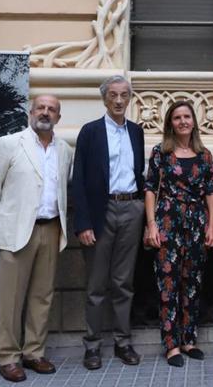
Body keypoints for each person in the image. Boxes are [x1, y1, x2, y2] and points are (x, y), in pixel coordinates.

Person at [0, 95, 73, 383]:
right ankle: (8, 357)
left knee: (42, 296)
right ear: (30, 113)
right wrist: (3, 223)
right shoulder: (9, 144)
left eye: (52, 110)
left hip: (51, 228)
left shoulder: (65, 150)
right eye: (41, 108)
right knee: (10, 299)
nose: (46, 113)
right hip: (17, 232)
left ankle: (34, 352)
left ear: (58, 117)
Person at [72, 76, 146, 369]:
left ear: (130, 99)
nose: (118, 101)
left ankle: (122, 342)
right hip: (101, 212)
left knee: (123, 282)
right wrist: (84, 223)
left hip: (131, 209)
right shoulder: (90, 132)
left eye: (124, 95)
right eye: (113, 95)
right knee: (96, 284)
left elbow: (138, 172)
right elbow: (78, 179)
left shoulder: (137, 132)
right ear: (104, 99)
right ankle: (92, 346)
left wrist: (140, 206)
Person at [143, 100, 213, 367]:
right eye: (177, 118)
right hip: (167, 221)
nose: (183, 121)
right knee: (168, 284)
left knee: (193, 282)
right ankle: (171, 345)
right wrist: (151, 224)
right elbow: (150, 188)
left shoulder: (205, 155)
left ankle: (189, 339)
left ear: (194, 121)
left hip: (196, 223)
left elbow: (211, 191)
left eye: (187, 116)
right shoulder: (161, 152)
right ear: (170, 123)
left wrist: (211, 225)